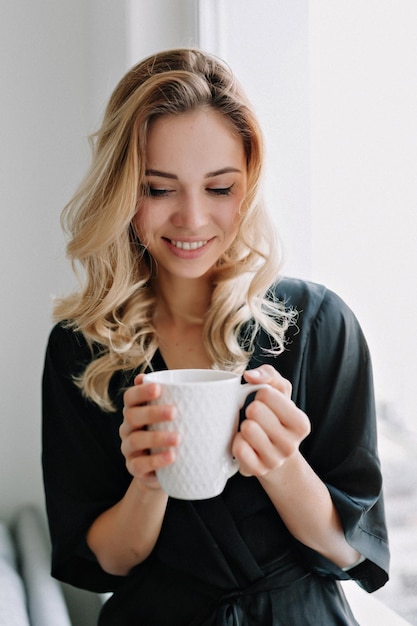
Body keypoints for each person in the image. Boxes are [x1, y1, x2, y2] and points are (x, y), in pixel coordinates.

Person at [42, 48, 389, 625]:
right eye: (159, 189)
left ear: (248, 184)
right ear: (122, 190)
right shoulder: (84, 346)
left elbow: (351, 552)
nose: (193, 219)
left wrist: (282, 466)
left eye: (219, 189)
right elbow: (103, 561)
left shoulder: (319, 325)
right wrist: (148, 480)